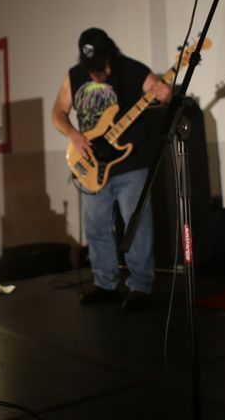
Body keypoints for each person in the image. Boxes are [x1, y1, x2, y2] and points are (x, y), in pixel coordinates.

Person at [51, 28, 171, 310]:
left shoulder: (132, 69)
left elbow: (163, 94)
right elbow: (58, 112)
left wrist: (165, 93)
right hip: (92, 163)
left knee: (137, 225)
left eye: (100, 67)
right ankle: (105, 284)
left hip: (130, 162)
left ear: (110, 54)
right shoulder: (74, 75)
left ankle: (140, 286)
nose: (95, 73)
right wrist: (73, 135)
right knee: (96, 227)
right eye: (90, 67)